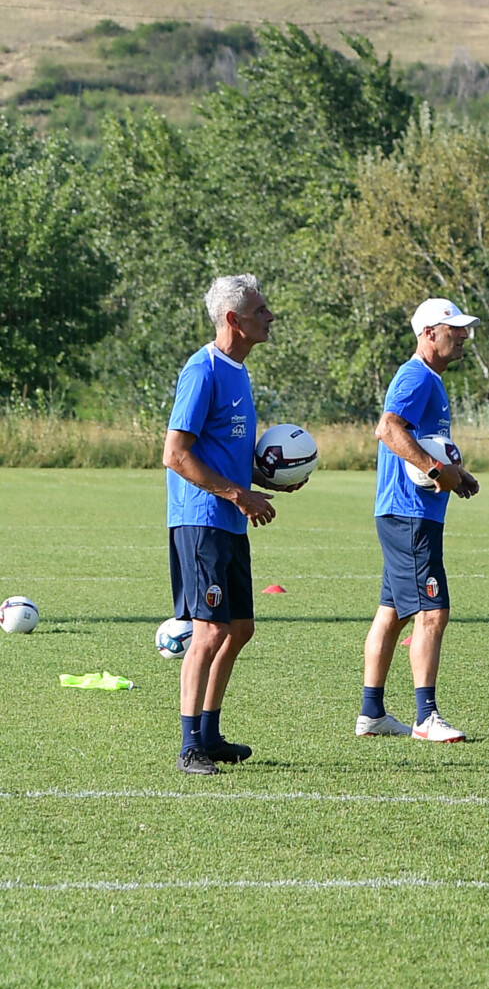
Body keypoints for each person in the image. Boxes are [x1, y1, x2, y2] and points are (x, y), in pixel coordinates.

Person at [164, 275, 298, 775]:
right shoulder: (203, 371)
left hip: (230, 521)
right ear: (233, 321)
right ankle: (188, 747)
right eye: (262, 310)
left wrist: (265, 479)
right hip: (201, 520)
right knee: (209, 630)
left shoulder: (238, 371)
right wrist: (237, 493)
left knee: (239, 629)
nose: (270, 317)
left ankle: (210, 733)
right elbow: (175, 455)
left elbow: (225, 449)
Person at [358, 299, 484, 742]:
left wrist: (456, 473)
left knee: (391, 613)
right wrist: (436, 471)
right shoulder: (416, 376)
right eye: (454, 328)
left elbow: (428, 443)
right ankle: (425, 717)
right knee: (433, 612)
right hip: (409, 513)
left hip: (409, 511)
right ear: (429, 333)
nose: (464, 335)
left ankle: (371, 712)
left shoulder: (431, 379)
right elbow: (389, 429)